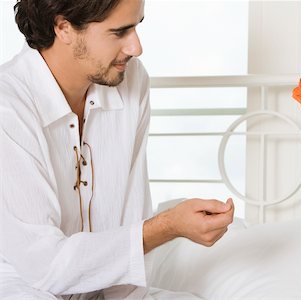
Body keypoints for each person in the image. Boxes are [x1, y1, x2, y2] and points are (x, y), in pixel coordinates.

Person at [0, 0, 234, 299]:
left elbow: (130, 213)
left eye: (136, 26)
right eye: (120, 31)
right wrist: (166, 227)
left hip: (100, 289)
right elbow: (45, 267)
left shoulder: (131, 80)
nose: (136, 47)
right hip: (24, 288)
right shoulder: (8, 107)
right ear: (63, 27)